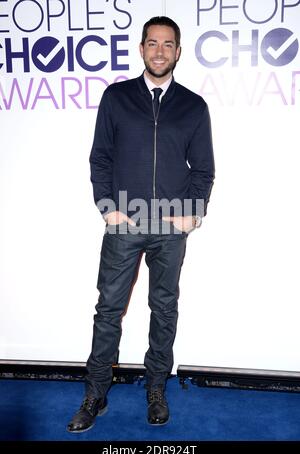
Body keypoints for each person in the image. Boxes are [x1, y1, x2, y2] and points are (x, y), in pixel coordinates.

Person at [67, 16, 214, 432]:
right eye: (153, 43)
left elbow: (203, 170)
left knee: (163, 308)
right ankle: (96, 393)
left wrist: (193, 211)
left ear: (178, 51)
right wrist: (107, 207)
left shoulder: (193, 106)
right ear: (142, 48)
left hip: (170, 225)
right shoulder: (116, 98)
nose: (160, 51)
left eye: (168, 44)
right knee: (108, 309)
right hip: (124, 220)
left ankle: (156, 388)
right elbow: (101, 158)